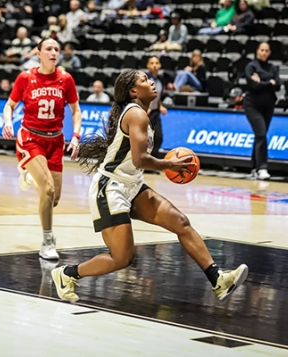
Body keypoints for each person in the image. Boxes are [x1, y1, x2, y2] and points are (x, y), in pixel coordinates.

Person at [50, 69, 248, 302]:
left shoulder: (142, 113)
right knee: (122, 258)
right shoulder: (136, 115)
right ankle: (66, 274)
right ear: (134, 91)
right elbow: (139, 159)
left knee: (181, 222)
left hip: (133, 186)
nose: (152, 82)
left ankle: (218, 280)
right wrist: (168, 164)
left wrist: (166, 164)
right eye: (145, 80)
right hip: (111, 189)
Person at [2, 38, 82, 260]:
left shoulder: (66, 80)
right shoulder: (26, 77)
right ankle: (48, 241)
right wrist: (8, 122)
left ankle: (29, 179)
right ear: (38, 53)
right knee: (47, 190)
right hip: (30, 138)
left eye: (57, 49)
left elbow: (76, 110)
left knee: (53, 198)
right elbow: (9, 105)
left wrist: (75, 136)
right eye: (49, 49)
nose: (54, 52)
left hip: (56, 140)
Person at [244, 42, 281, 180]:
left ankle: (254, 167)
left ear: (270, 52)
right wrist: (268, 82)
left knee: (260, 136)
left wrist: (262, 81)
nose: (264, 52)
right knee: (261, 133)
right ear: (257, 51)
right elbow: (253, 85)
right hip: (252, 105)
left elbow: (278, 85)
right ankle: (262, 168)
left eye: (267, 50)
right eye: (262, 50)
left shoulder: (273, 68)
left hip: (268, 106)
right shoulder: (251, 66)